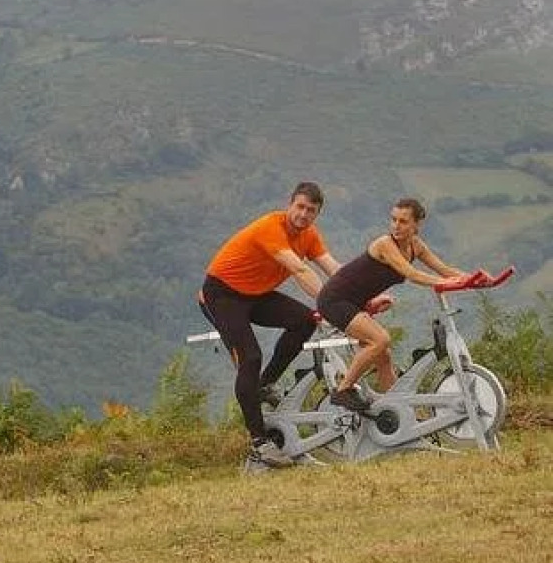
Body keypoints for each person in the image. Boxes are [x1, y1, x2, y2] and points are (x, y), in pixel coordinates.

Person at [200, 181, 341, 468]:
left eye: (310, 210)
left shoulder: (309, 235)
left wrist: (362, 300)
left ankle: (264, 386)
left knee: (304, 321)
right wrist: (331, 307)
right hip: (222, 294)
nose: (303, 214)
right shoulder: (270, 227)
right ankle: (259, 443)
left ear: (317, 214)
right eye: (299, 207)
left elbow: (334, 270)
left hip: (255, 294)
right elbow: (300, 269)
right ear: (290, 204)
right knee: (250, 357)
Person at [316, 197, 468, 412]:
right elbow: (412, 274)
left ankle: (399, 411)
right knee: (380, 340)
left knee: (383, 356)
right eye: (393, 220)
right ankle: (343, 390)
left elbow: (444, 269)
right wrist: (445, 282)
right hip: (334, 300)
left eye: (403, 221)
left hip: (356, 303)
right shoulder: (384, 244)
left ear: (417, 224)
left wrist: (474, 280)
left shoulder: (416, 246)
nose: (396, 225)